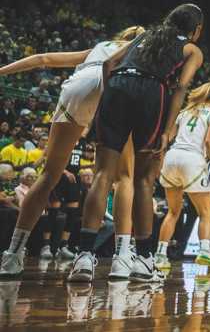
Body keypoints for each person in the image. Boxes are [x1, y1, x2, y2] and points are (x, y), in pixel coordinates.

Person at [69, 4, 205, 283]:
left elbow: (108, 64)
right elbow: (179, 88)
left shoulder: (145, 36)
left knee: (103, 175)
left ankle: (83, 257)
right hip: (151, 93)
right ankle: (143, 260)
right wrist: (167, 129)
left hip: (117, 86)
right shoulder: (192, 50)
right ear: (196, 29)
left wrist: (108, 100)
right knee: (143, 179)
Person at [0, 26, 144, 278]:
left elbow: (42, 59)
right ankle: (119, 258)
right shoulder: (139, 54)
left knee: (47, 176)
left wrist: (2, 70)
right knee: (122, 178)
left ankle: (12, 255)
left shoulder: (99, 47)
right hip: (111, 86)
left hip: (78, 87)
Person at [153, 82, 210, 274]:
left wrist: (159, 158)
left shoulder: (184, 113)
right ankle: (204, 250)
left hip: (172, 157)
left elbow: (167, 137)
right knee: (205, 213)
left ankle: (160, 255)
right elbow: (209, 141)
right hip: (192, 160)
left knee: (173, 212)